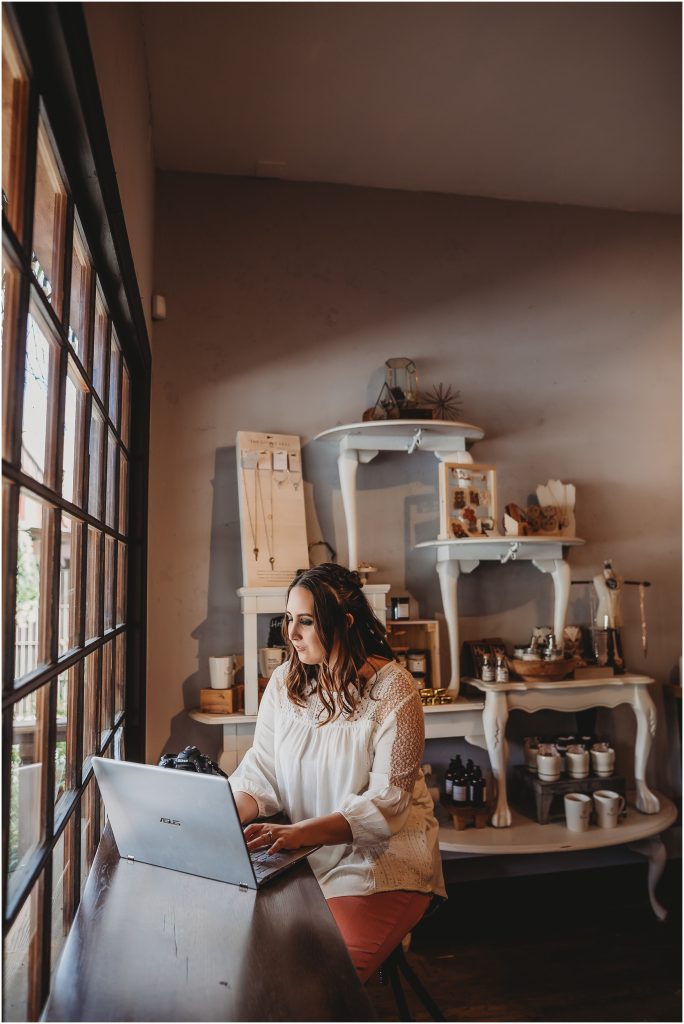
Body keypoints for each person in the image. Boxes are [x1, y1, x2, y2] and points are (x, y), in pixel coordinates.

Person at [229, 563, 446, 983]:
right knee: (255, 959)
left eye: (306, 622)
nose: (290, 634)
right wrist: (224, 817)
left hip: (380, 861)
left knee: (320, 980)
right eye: (288, 619)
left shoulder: (394, 690)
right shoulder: (284, 681)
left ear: (344, 622)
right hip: (304, 849)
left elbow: (388, 804)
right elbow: (263, 768)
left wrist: (297, 834)